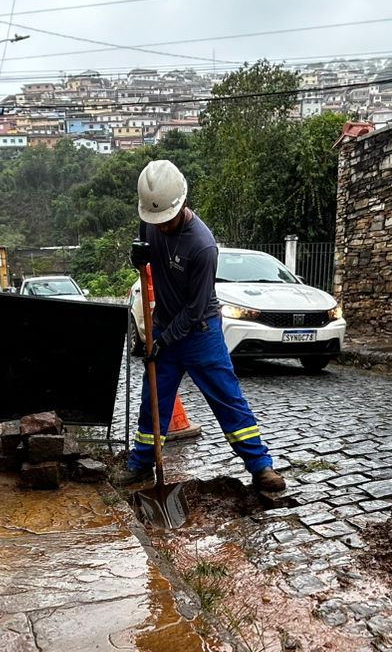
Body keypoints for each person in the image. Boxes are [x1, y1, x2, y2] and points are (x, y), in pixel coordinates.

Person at [120, 160, 285, 493]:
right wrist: (138, 258)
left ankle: (260, 467)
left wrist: (163, 341)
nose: (160, 226)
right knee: (154, 400)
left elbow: (195, 310)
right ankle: (141, 464)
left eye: (166, 220)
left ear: (180, 204)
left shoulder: (202, 245)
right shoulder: (151, 216)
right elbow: (147, 256)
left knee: (227, 399)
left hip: (200, 333)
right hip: (165, 326)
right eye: (156, 221)